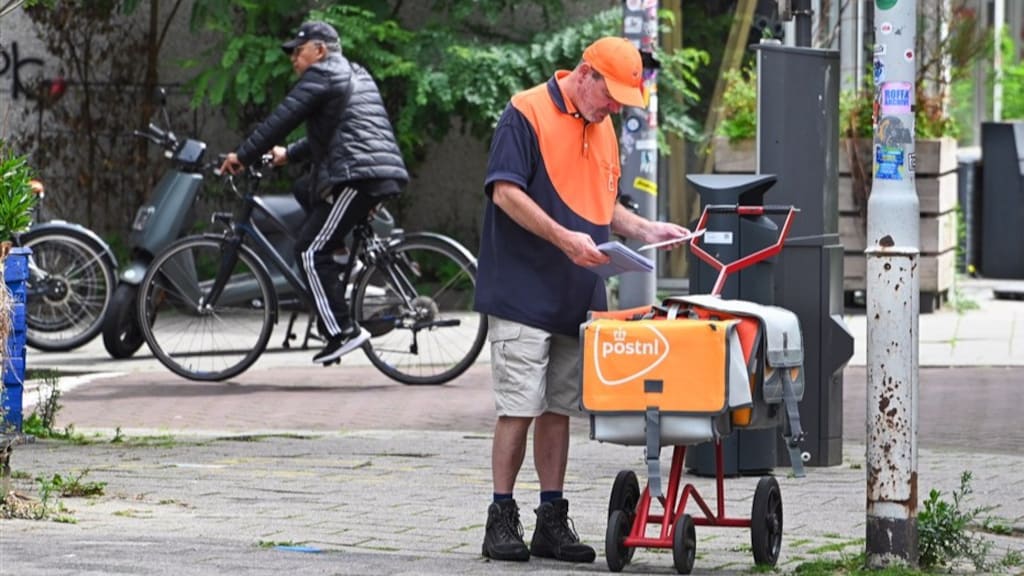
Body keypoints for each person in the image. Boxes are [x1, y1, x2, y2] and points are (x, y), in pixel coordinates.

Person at [474, 36, 692, 563]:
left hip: (576, 295)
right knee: (518, 407)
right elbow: (505, 192)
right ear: (586, 73)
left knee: (558, 410)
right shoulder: (524, 113)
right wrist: (564, 238)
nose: (615, 106)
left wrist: (645, 228)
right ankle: (501, 518)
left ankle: (552, 520)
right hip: (522, 288)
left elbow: (603, 205)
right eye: (611, 94)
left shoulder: (604, 126)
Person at [220, 21, 408, 365]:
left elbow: (281, 119)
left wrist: (242, 156)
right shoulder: (352, 73)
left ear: (319, 50)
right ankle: (339, 258)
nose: (293, 57)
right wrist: (288, 155)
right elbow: (339, 132)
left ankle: (343, 332)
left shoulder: (321, 75)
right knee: (303, 188)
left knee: (308, 250)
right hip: (370, 170)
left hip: (358, 177)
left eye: (298, 50)